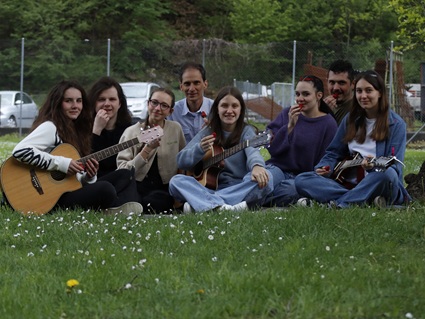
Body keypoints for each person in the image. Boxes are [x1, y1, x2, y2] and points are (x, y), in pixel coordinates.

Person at [10, 80, 143, 214]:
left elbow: (76, 180)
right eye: (69, 101)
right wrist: (62, 163)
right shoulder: (51, 127)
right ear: (58, 103)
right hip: (48, 197)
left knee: (125, 174)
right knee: (105, 189)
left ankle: (120, 209)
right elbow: (20, 151)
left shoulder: (77, 131)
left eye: (79, 101)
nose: (75, 106)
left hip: (66, 191)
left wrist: (89, 177)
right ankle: (117, 209)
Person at [294, 71, 411, 208]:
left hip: (378, 181)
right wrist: (324, 167)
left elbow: (395, 167)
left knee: (387, 173)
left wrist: (373, 167)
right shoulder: (350, 119)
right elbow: (333, 152)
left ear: (380, 93)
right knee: (302, 180)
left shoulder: (396, 124)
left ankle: (340, 204)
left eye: (369, 91)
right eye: (359, 91)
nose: (363, 96)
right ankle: (363, 200)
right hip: (347, 182)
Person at [168, 86, 273, 213]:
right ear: (217, 109)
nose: (229, 110)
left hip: (239, 187)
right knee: (176, 181)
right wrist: (199, 149)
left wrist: (257, 165)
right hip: (208, 189)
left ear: (241, 110)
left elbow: (253, 152)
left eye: (234, 106)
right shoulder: (208, 131)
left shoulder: (246, 131)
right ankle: (230, 207)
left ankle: (206, 204)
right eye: (224, 106)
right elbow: (181, 161)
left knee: (267, 178)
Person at [264, 75, 338, 206]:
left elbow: (328, 157)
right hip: (278, 169)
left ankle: (259, 199)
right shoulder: (287, 114)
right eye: (297, 94)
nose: (300, 99)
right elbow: (271, 149)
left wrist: (323, 169)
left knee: (290, 190)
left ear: (319, 95)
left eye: (306, 94)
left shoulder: (328, 123)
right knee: (261, 181)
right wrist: (289, 126)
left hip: (302, 178)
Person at [117, 87, 186, 214]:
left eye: (164, 105)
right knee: (136, 201)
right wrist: (146, 150)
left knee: (157, 201)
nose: (158, 108)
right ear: (148, 103)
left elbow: (182, 160)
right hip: (136, 185)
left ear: (170, 111)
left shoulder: (175, 129)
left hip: (165, 188)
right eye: (154, 102)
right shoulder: (132, 132)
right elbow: (122, 171)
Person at [88, 76, 133, 177]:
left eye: (112, 99)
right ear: (94, 103)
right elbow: (85, 162)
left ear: (120, 103)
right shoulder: (82, 128)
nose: (107, 104)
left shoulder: (128, 130)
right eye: (101, 99)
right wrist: (96, 131)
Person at [167, 61, 214, 143]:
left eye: (196, 83)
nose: (192, 89)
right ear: (181, 86)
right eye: (187, 84)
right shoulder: (172, 112)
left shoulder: (216, 109)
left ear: (205, 84)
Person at [323, 60, 355, 125]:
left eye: (341, 83)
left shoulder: (356, 109)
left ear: (352, 84)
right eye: (332, 82)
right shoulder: (323, 106)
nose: (336, 88)